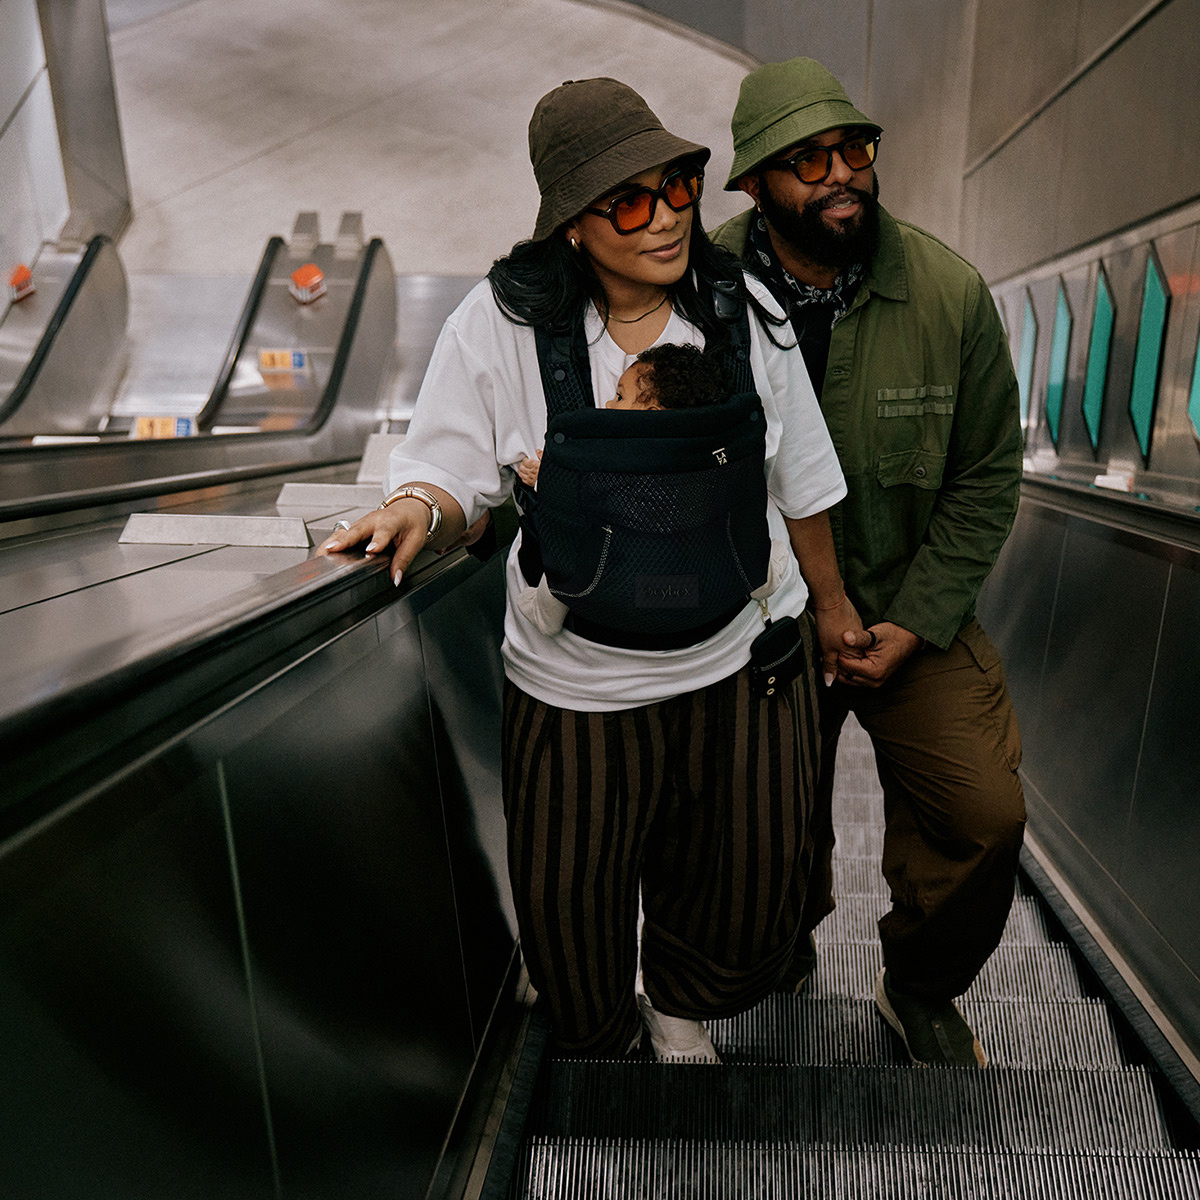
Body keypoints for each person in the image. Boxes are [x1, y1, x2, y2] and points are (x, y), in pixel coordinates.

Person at [320, 76, 857, 1061]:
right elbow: (449, 466)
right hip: (576, 677)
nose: (668, 218)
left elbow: (803, 475)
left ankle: (681, 1001)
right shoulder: (499, 324)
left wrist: (831, 607)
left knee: (749, 882)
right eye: (629, 201)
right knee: (568, 907)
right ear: (572, 223)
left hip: (737, 655)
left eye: (677, 188)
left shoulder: (741, 311)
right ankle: (599, 1027)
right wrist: (415, 507)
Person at [712, 57, 1026, 1068]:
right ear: (755, 183)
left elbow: (986, 475)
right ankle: (781, 942)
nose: (842, 171)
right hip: (761, 619)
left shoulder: (947, 295)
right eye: (808, 160)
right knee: (758, 825)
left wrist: (918, 620)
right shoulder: (696, 292)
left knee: (984, 813)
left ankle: (919, 987)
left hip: (908, 608)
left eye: (853, 147)